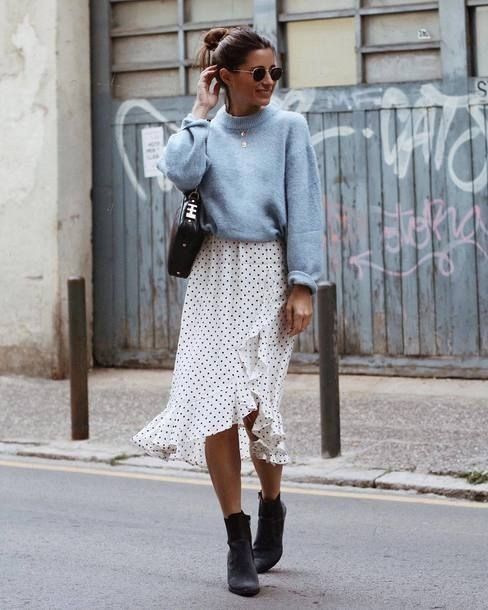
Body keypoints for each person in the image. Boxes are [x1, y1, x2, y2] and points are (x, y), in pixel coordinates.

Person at [131, 25, 324, 598]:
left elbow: (305, 210)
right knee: (216, 405)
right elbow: (179, 172)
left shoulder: (289, 128)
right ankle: (237, 540)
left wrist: (303, 284)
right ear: (225, 76)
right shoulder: (205, 132)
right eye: (257, 73)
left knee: (256, 407)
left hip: (268, 274)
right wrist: (199, 109)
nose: (268, 82)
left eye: (274, 72)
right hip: (214, 277)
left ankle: (272, 508)